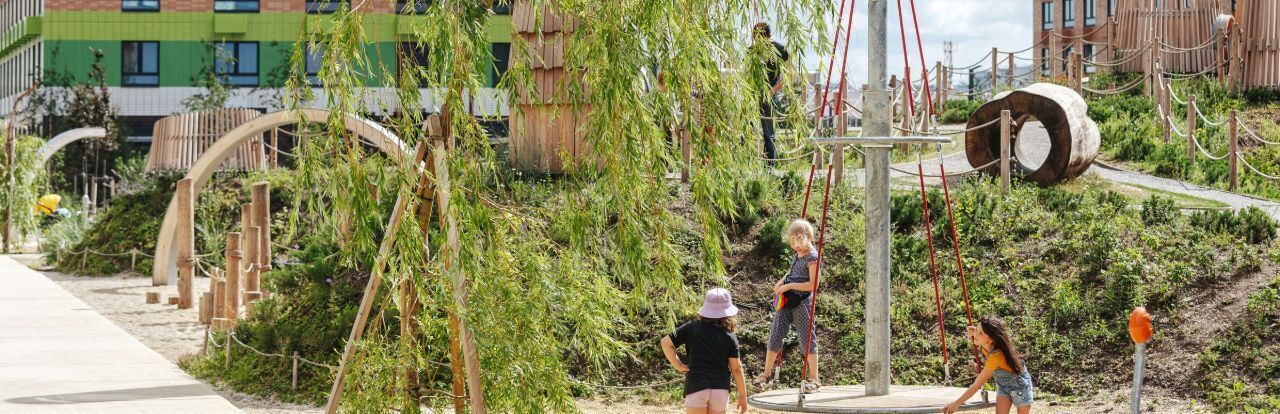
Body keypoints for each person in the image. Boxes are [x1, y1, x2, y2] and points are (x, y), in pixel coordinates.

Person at [753, 219, 820, 393]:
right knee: (776, 332)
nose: (797, 249)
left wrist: (789, 286)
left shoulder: (813, 257)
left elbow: (813, 285)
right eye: (794, 246)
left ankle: (814, 378)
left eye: (800, 246)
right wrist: (781, 282)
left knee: (806, 337)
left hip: (802, 302)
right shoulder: (797, 254)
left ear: (809, 239)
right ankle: (766, 374)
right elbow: (791, 272)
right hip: (786, 300)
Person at [661, 288, 749, 414]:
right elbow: (736, 368)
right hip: (720, 388)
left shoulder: (691, 328)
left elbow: (665, 342)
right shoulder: (730, 336)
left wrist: (678, 365)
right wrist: (742, 396)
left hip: (696, 385)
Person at [941, 316, 1034, 414]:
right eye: (976, 330)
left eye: (980, 333)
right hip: (1003, 386)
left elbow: (977, 384)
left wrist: (956, 403)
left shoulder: (996, 356)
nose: (975, 334)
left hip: (1020, 385)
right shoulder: (986, 343)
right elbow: (980, 334)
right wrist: (976, 331)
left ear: (991, 339)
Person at [753, 22, 789, 166]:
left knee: (769, 134)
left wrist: (771, 91)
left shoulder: (780, 50)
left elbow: (786, 77)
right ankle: (747, 168)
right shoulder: (752, 50)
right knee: (746, 132)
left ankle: (769, 168)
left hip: (769, 95)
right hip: (753, 95)